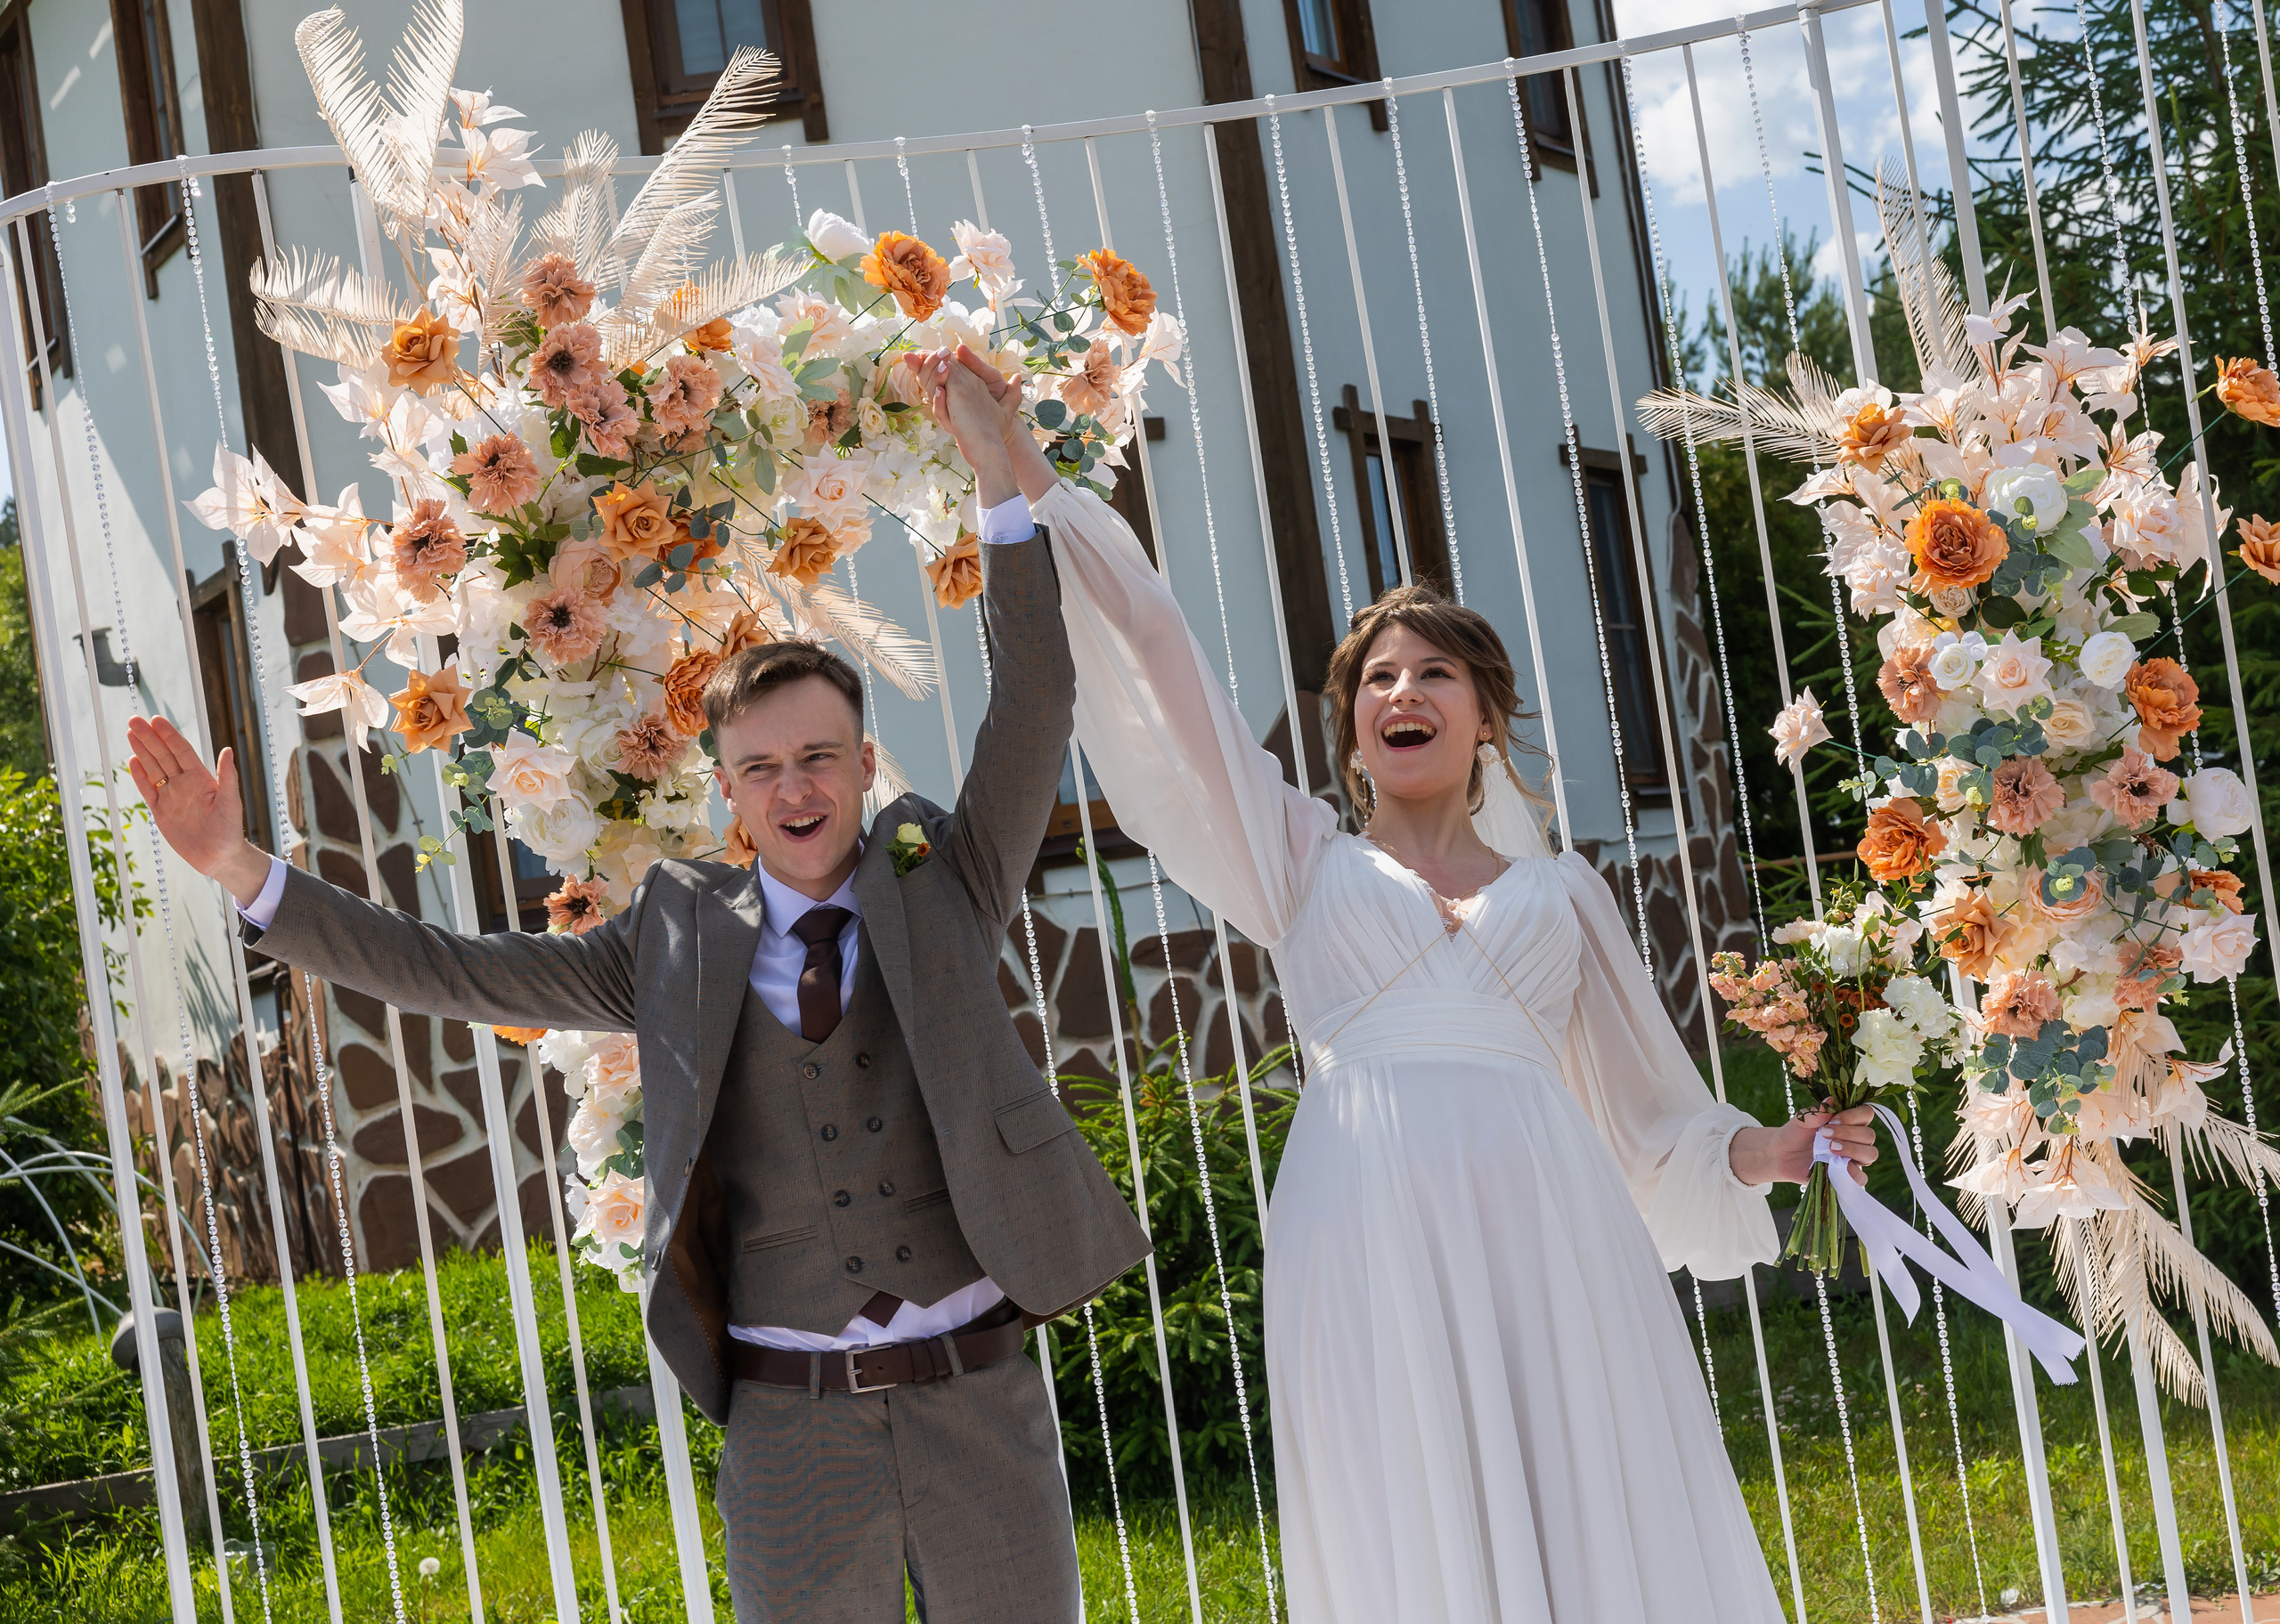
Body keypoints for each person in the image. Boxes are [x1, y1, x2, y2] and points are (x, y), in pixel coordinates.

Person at [126, 352, 1150, 1624]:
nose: (796, 791)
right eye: (764, 767)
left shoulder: (949, 877)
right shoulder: (678, 937)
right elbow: (452, 970)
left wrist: (1001, 478)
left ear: (864, 760)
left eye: (821, 758)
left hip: (978, 1401)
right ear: (726, 787)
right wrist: (239, 865)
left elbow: (1034, 701)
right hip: (793, 1433)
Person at [919, 344, 1879, 1622]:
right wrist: (1016, 465)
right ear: (1354, 725)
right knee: (1398, 1511)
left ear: (1487, 715)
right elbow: (1161, 660)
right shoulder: (1298, 859)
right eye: (1379, 678)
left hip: (1554, 1233)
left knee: (1588, 1497)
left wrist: (1784, 1147)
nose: (1404, 692)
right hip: (1364, 1230)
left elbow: (1657, 1118)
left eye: (1435, 673)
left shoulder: (1567, 894)